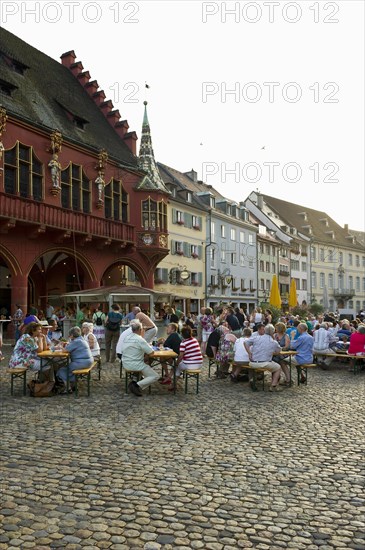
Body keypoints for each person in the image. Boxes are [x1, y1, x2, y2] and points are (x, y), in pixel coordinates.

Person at [120, 321, 158, 396]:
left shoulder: (127, 338)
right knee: (155, 376)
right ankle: (136, 385)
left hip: (125, 362)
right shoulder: (140, 339)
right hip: (136, 364)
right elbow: (151, 353)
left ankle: (134, 381)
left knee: (143, 364)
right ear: (140, 330)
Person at [244, 323, 282, 391]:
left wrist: (249, 353)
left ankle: (253, 379)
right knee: (278, 367)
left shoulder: (256, 337)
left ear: (264, 330)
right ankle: (273, 386)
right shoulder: (273, 342)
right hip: (265, 363)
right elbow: (279, 351)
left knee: (261, 365)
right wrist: (272, 352)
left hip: (253, 363)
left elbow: (245, 342)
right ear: (273, 332)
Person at [57, 326, 93, 391]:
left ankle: (68, 388)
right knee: (68, 369)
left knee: (61, 370)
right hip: (88, 361)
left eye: (70, 335)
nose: (69, 336)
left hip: (82, 363)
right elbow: (72, 345)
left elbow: (65, 350)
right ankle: (73, 384)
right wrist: (68, 343)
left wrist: (60, 346)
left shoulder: (76, 341)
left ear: (72, 335)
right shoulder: (81, 339)